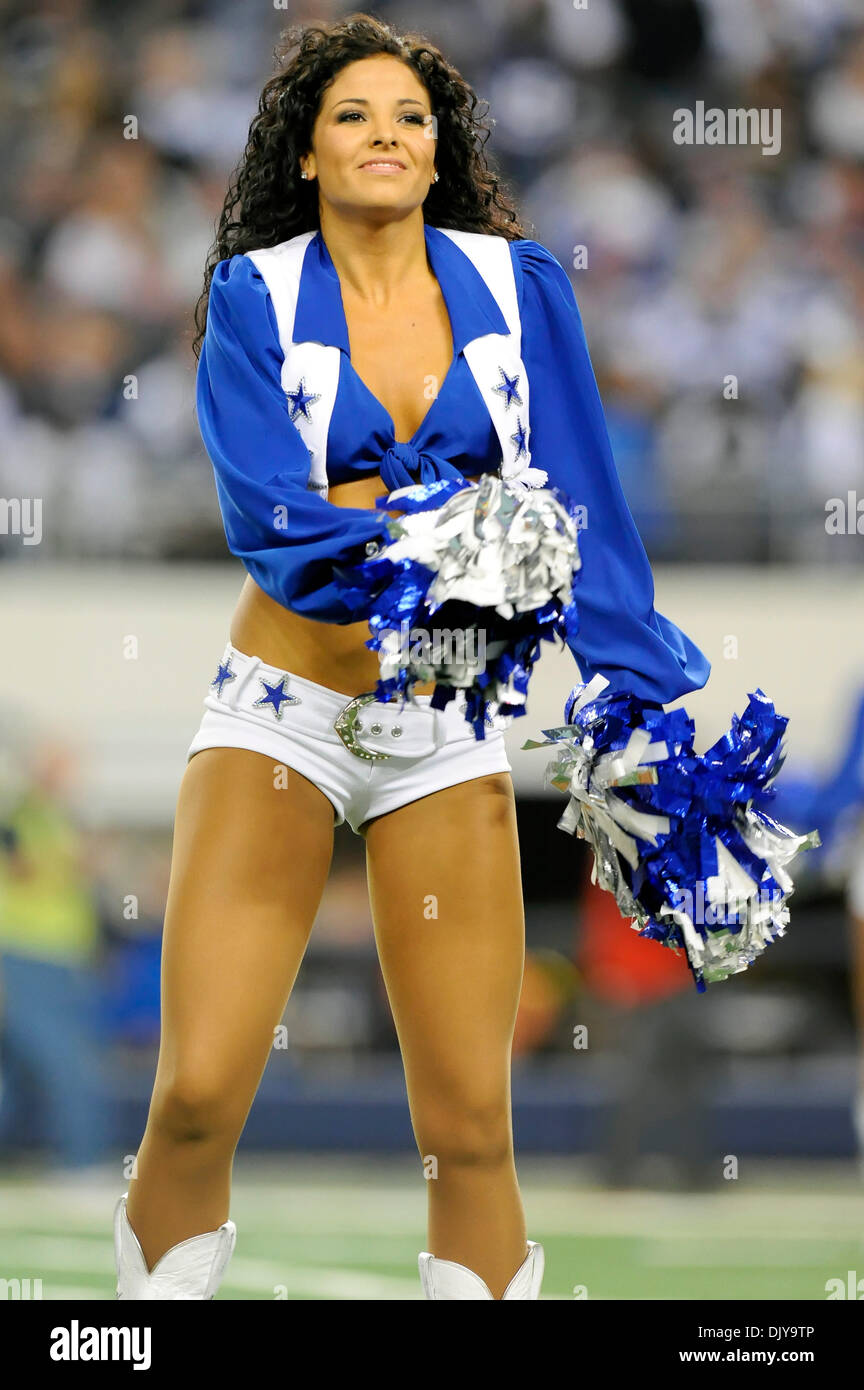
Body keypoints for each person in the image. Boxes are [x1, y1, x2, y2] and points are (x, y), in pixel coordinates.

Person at [114, 14, 709, 1302]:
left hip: (445, 731)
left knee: (470, 1130)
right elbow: (274, 519)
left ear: (438, 157)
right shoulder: (250, 296)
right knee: (202, 1092)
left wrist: (640, 694)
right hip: (285, 712)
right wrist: (454, 531)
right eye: (354, 117)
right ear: (310, 155)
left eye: (412, 119)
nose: (386, 134)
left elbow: (585, 510)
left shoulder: (517, 287)